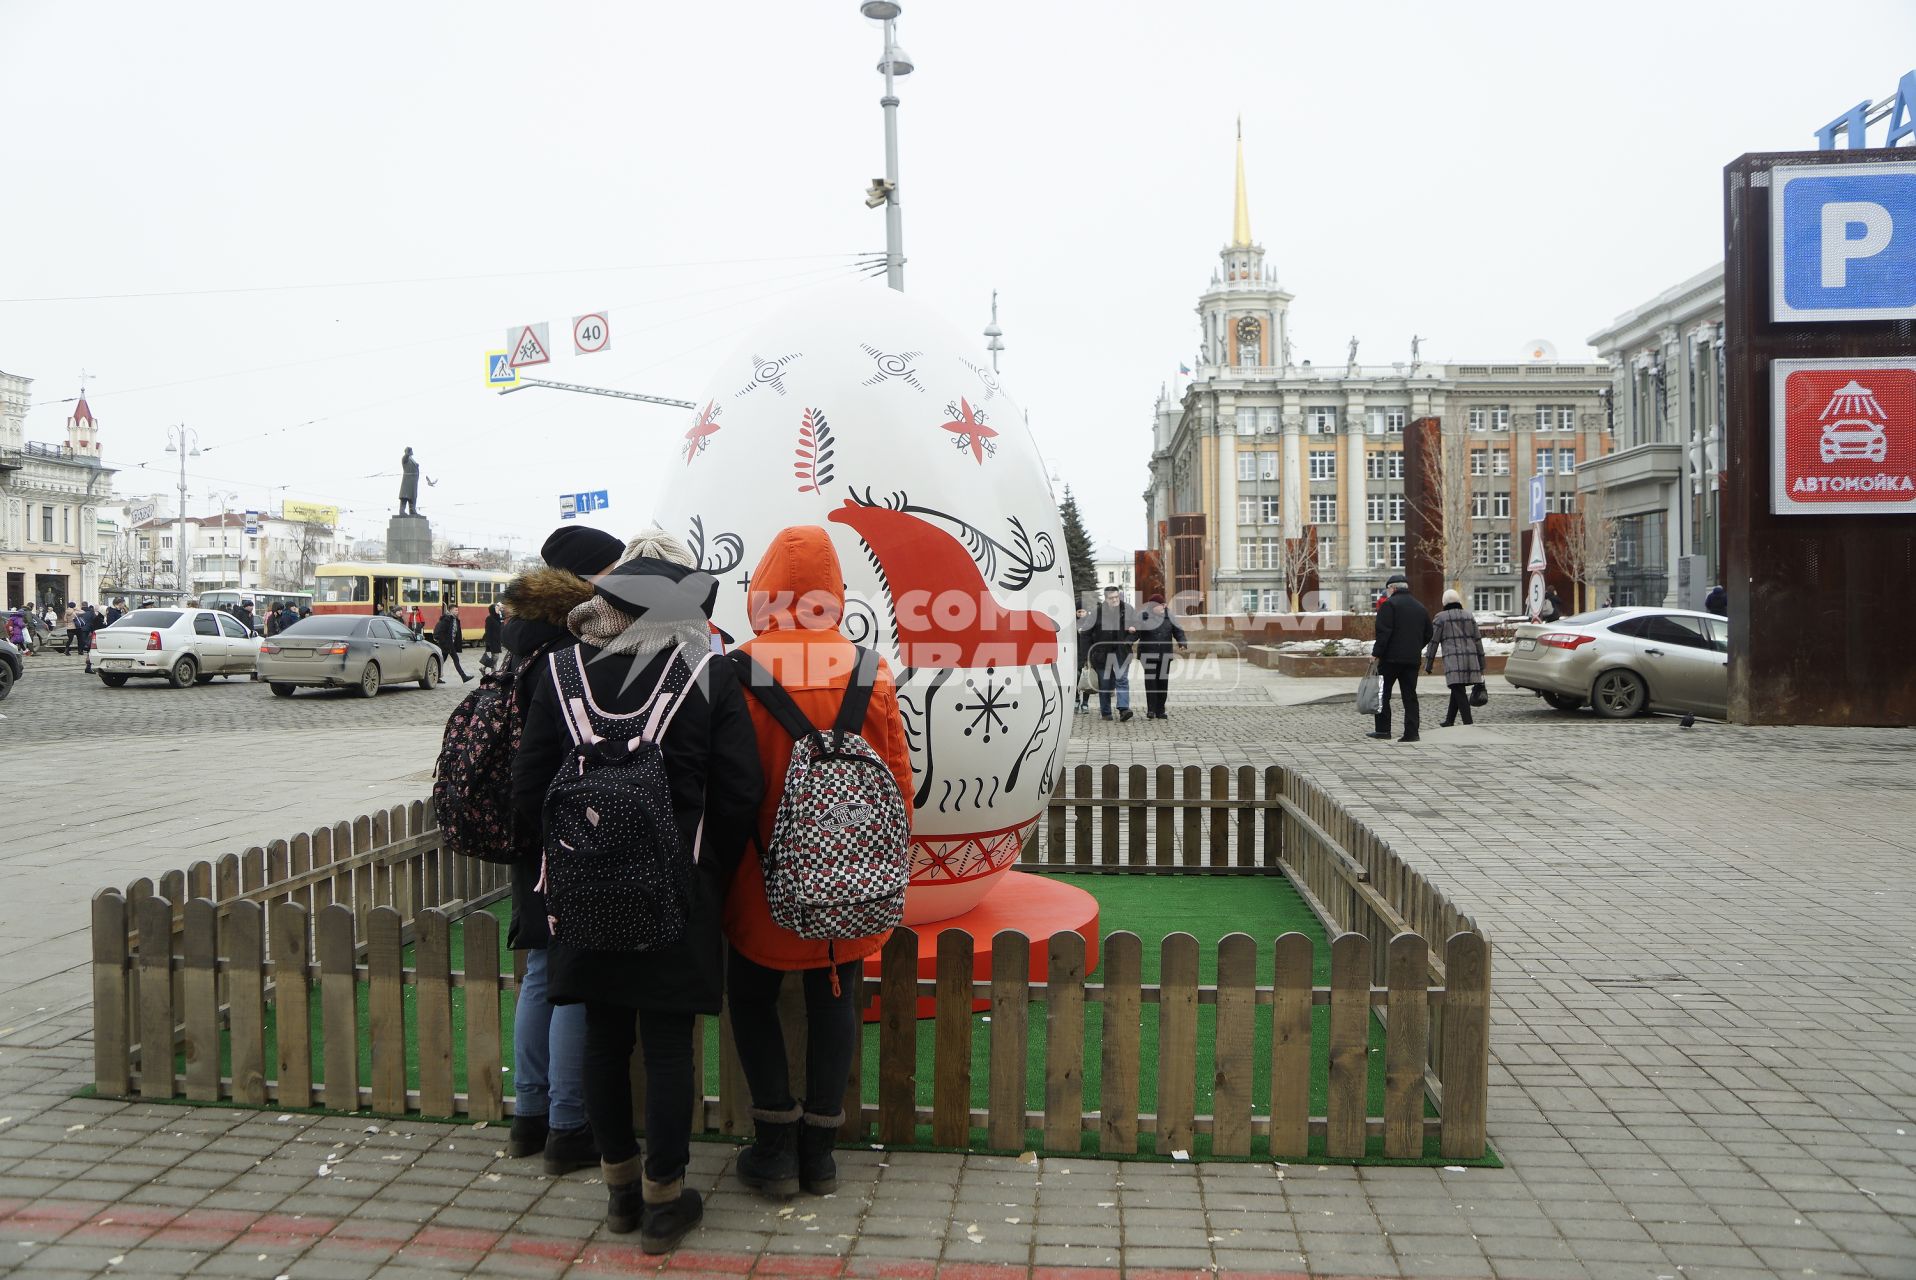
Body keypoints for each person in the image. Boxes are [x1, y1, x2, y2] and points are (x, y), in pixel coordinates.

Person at [512, 538, 762, 1253]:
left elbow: (530, 788)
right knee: (668, 1045)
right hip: (677, 892)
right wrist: (706, 866)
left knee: (602, 1036)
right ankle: (663, 1200)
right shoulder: (708, 674)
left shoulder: (559, 670)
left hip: (581, 886)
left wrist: (573, 855)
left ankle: (618, 1193)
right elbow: (739, 791)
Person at [722, 526, 915, 1203]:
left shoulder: (736, 669)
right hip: (849, 876)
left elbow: (724, 786)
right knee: (836, 996)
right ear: (834, 594)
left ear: (763, 592)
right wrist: (883, 863)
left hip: (758, 876)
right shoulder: (871, 670)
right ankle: (821, 1156)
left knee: (749, 996)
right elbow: (897, 780)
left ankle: (773, 1150)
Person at [497, 526, 622, 1179]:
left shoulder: (517, 638)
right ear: (584, 577)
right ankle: (570, 1127)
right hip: (563, 828)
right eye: (613, 567)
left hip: (529, 828)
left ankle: (529, 1117)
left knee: (543, 974)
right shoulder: (571, 646)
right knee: (573, 979)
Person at [1368, 574, 1432, 743]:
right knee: (1410, 696)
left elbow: (1384, 633)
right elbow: (1428, 633)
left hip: (1390, 659)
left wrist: (1376, 653)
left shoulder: (1389, 605)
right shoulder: (1420, 607)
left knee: (1383, 695)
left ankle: (1383, 730)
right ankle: (1412, 733)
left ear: (1392, 588)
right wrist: (1415, 647)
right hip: (1412, 660)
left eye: (1387, 589)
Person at [1425, 589, 1487, 728]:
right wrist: (1482, 665)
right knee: (1457, 688)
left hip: (1453, 661)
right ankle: (1449, 720)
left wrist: (1428, 664)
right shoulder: (1468, 616)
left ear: (1444, 602)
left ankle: (1468, 723)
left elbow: (1433, 642)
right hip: (1471, 660)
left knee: (1458, 689)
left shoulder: (1440, 618)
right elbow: (1478, 641)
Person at [1082, 585, 1138, 722]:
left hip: (1121, 652)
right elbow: (1085, 634)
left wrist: (1129, 639)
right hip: (1102, 654)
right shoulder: (1097, 612)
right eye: (1111, 598)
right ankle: (1106, 712)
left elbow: (1138, 628)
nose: (1115, 600)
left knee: (1121, 679)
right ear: (1106, 599)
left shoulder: (1128, 609)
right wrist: (1086, 654)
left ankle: (1124, 709)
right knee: (1105, 683)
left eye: (1116, 597)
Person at [1134, 593, 1189, 720]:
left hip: (1165, 653)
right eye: (1161, 605)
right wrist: (1128, 640)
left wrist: (1182, 642)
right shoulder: (1143, 616)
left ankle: (1161, 710)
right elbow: (1136, 631)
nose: (1164, 607)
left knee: (1163, 682)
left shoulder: (1169, 616)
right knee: (1151, 682)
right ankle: (1151, 710)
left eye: (1164, 604)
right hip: (1148, 654)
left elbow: (1178, 630)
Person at [431, 601, 474, 683]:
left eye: (457, 610)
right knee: (454, 660)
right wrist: (444, 643)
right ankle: (464, 677)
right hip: (446, 645)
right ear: (450, 610)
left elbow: (456, 633)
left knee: (442, 660)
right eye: (455, 610)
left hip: (451, 644)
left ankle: (436, 677)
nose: (457, 612)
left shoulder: (455, 620)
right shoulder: (446, 619)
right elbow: (440, 631)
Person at [480, 600, 505, 671]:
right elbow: (487, 631)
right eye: (496, 609)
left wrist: (500, 607)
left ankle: (484, 669)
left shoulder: (497, 618)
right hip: (492, 640)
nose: (498, 610)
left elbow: (503, 618)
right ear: (492, 610)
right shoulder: (489, 618)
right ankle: (493, 673)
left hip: (497, 640)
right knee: (495, 657)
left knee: (495, 657)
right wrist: (488, 642)